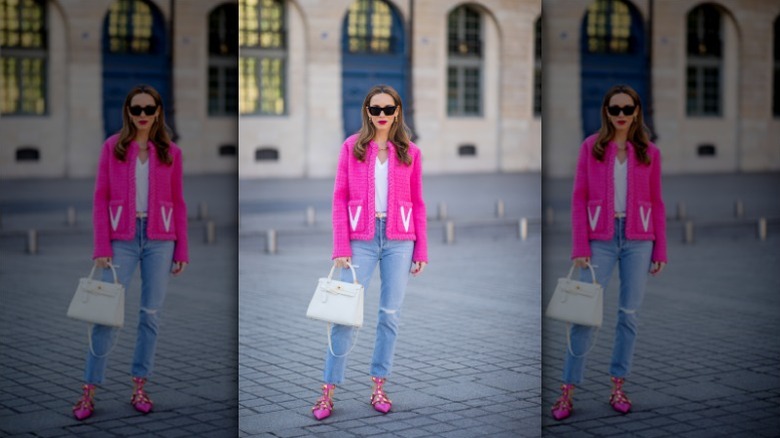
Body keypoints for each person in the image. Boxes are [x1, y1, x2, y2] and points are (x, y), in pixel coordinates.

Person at [311, 85, 428, 420]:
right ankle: (328, 391)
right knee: (343, 314)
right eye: (374, 109)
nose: (381, 116)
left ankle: (378, 385)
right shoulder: (352, 147)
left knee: (389, 316)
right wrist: (340, 247)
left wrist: (421, 249)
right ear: (366, 111)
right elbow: (339, 197)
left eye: (387, 110)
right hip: (361, 238)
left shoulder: (410, 152)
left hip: (399, 240)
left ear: (397, 112)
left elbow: (418, 202)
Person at [551, 85, 667, 421]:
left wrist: (661, 248)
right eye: (614, 109)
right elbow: (578, 199)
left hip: (638, 240)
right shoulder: (591, 147)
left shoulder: (649, 152)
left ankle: (618, 386)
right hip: (600, 238)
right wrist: (579, 247)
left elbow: (657, 203)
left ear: (636, 112)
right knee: (583, 314)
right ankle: (567, 391)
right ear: (605, 111)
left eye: (626, 109)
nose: (620, 115)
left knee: (628, 315)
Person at [72, 85, 188, 420]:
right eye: (135, 109)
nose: (141, 116)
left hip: (160, 240)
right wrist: (100, 246)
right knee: (104, 314)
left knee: (150, 316)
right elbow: (99, 198)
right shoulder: (113, 147)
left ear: (157, 112)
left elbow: (179, 203)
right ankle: (88, 391)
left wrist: (182, 248)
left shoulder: (171, 153)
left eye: (147, 109)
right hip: (121, 238)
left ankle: (139, 386)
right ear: (127, 111)